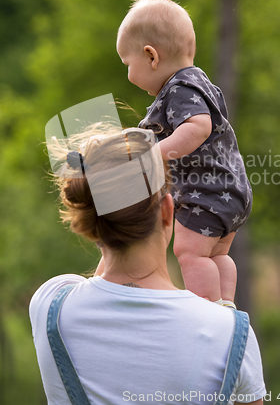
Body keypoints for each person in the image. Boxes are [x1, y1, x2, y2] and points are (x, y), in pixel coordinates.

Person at [29, 124, 266, 405]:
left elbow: (102, 279)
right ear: (168, 210)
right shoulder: (230, 333)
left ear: (93, 223)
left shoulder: (50, 305)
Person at [116, 0, 252, 308]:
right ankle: (225, 305)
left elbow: (198, 127)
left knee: (188, 254)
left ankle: (206, 311)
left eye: (127, 64)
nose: (128, 74)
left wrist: (153, 156)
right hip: (231, 193)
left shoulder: (179, 88)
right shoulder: (198, 82)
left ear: (151, 56)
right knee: (216, 254)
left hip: (206, 194)